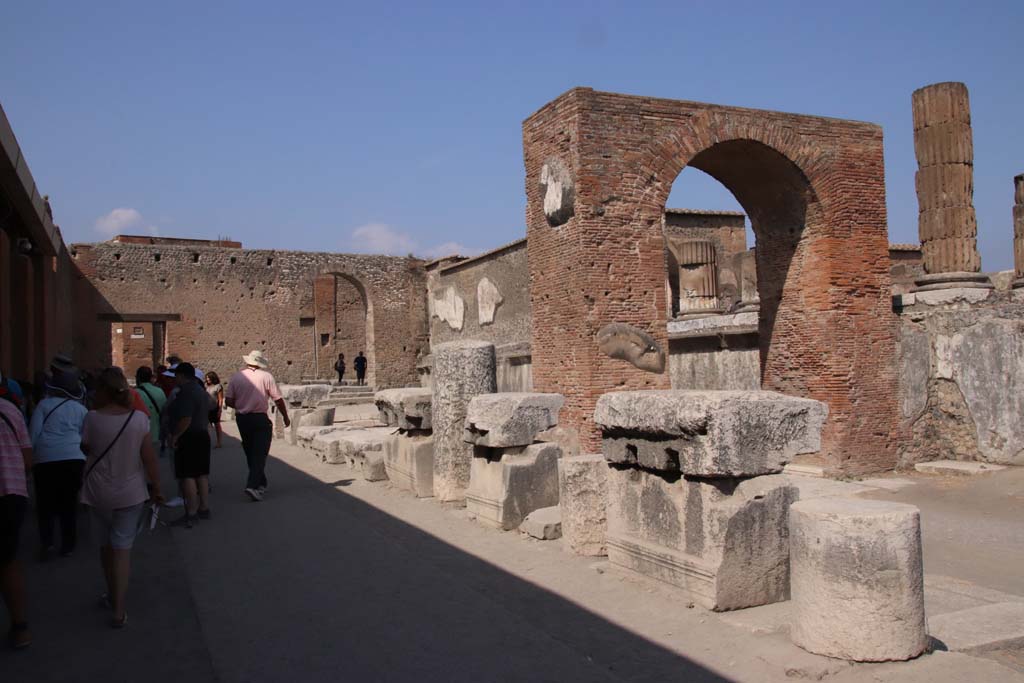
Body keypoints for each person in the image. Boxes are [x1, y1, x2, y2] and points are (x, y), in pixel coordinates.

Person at [80, 367, 162, 629]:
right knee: (122, 550)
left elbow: (86, 446)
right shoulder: (138, 420)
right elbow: (148, 457)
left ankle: (110, 593)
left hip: (97, 492)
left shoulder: (92, 418)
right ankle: (118, 609)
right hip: (130, 492)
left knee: (105, 547)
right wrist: (157, 487)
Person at [28, 371, 88, 559]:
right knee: (68, 503)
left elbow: (34, 433)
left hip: (46, 458)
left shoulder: (44, 405)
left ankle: (48, 543)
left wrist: (30, 458)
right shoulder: (80, 409)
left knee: (45, 504)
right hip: (73, 457)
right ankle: (68, 545)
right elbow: (85, 435)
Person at [225, 350, 289, 501]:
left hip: (242, 419)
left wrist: (241, 405)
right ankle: (252, 486)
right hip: (260, 418)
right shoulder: (266, 376)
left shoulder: (236, 377)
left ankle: (261, 483)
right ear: (260, 363)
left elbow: (228, 401)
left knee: (250, 450)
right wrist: (285, 416)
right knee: (260, 452)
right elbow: (278, 399)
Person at [0, 388, 32, 648]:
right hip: (11, 494)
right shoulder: (11, 410)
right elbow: (27, 458)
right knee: (9, 563)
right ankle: (20, 627)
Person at [167, 364, 212, 528]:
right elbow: (212, 404)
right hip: (202, 434)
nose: (174, 379)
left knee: (188, 476)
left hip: (189, 437)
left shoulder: (186, 392)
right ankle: (204, 508)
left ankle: (191, 513)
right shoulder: (200, 390)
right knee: (201, 474)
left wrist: (175, 436)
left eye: (175, 375)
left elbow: (185, 419)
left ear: (182, 376)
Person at [134, 367, 167, 456]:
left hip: (138, 437)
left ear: (137, 377)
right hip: (156, 435)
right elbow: (165, 412)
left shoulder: (133, 394)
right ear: (150, 377)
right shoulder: (160, 391)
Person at [205, 372, 224, 449]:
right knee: (206, 426)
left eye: (209, 378)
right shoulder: (206, 386)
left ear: (213, 378)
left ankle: (219, 442)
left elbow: (220, 399)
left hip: (215, 408)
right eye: (206, 378)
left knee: (217, 425)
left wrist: (220, 409)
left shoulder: (218, 386)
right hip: (206, 408)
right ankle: (207, 441)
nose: (207, 379)